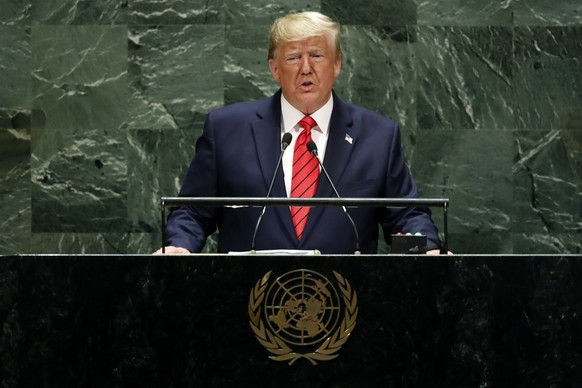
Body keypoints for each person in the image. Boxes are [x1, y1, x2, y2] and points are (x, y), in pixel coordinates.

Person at [156, 11, 445, 255]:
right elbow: (193, 211)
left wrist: (426, 249)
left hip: (344, 307)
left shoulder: (377, 136)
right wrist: (180, 246)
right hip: (247, 303)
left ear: (337, 64)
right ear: (274, 69)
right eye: (293, 58)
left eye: (317, 55)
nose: (306, 68)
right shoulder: (227, 129)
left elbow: (407, 215)